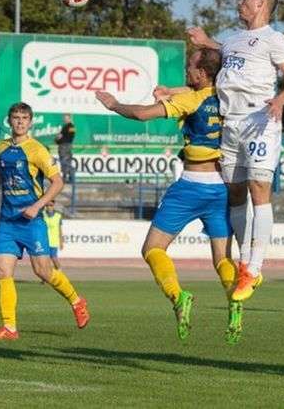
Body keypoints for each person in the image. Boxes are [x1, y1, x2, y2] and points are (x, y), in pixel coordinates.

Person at [95, 48, 245, 344]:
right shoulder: (230, 95)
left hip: (190, 186)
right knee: (223, 259)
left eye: (190, 68)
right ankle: (235, 303)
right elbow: (201, 89)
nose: (186, 72)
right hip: (221, 187)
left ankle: (179, 297)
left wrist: (114, 105)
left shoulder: (190, 100)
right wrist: (170, 91)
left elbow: (141, 114)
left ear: (202, 73)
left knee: (153, 249)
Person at [187, 0, 284, 302]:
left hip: (260, 121)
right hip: (232, 122)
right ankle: (243, 261)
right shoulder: (235, 39)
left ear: (261, 2)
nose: (240, 3)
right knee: (235, 192)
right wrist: (207, 41)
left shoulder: (274, 39)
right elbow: (229, 52)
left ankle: (254, 266)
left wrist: (279, 101)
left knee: (258, 188)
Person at [0, 102, 89, 340]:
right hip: (7, 221)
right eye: (15, 117)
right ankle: (10, 327)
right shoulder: (2, 146)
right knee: (2, 271)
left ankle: (76, 301)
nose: (19, 122)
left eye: (24, 118)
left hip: (31, 222)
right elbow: (2, 173)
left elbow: (57, 182)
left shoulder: (37, 150)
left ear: (30, 122)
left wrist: (37, 205)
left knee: (43, 272)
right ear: (10, 121)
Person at [43, 200, 63, 269]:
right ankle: (47, 277)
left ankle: (60, 272)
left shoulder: (58, 216)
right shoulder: (42, 215)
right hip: (44, 241)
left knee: (54, 258)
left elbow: (60, 230)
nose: (49, 207)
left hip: (54, 241)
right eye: (47, 205)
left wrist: (61, 242)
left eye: (51, 205)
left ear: (53, 206)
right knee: (45, 260)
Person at [55, 114, 75, 182]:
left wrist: (57, 138)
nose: (64, 119)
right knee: (68, 161)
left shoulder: (67, 127)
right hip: (68, 145)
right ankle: (70, 177)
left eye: (66, 118)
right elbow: (71, 135)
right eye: (64, 118)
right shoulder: (71, 127)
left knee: (64, 161)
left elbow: (60, 136)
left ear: (69, 118)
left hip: (64, 145)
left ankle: (65, 177)